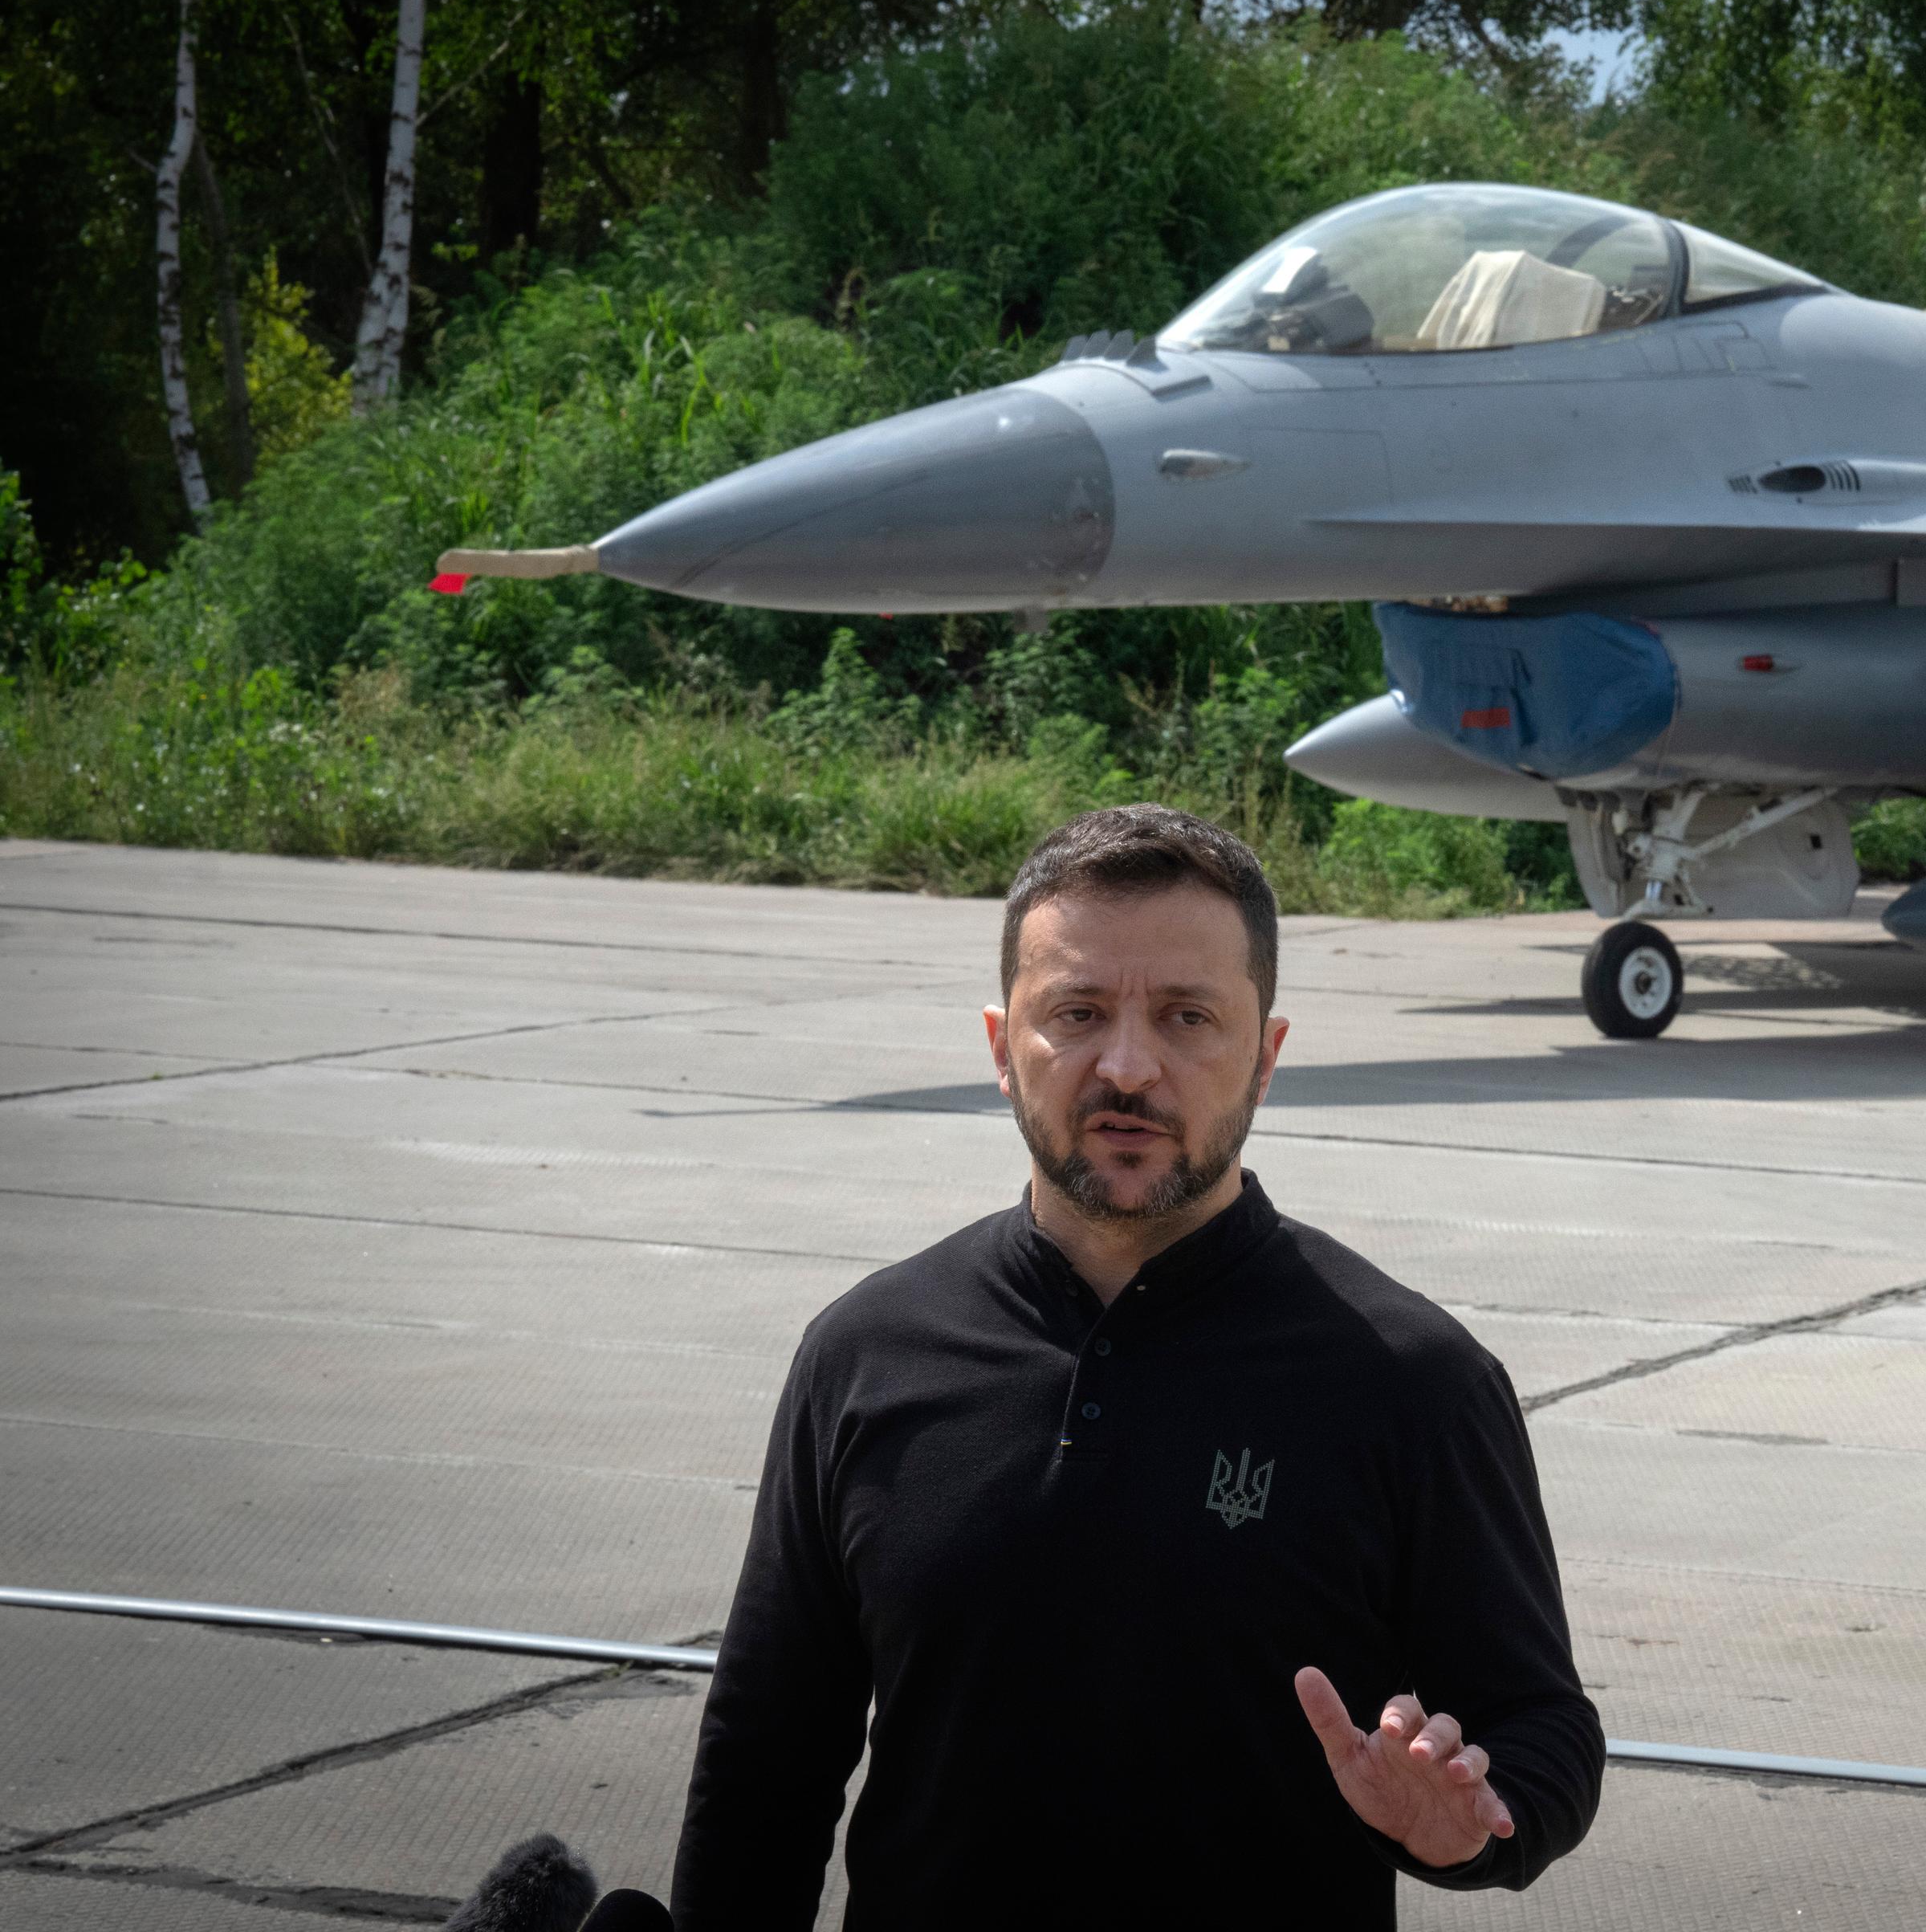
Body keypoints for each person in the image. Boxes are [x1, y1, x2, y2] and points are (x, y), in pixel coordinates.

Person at [670, 805, 1602, 1926]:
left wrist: (1468, 1825)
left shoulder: (1411, 1380)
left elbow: (1544, 1734)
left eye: (1186, 1016)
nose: (1126, 1065)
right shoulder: (864, 1353)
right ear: (1000, 1048)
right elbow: (767, 1759)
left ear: (1265, 1056)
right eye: (1076, 1012)